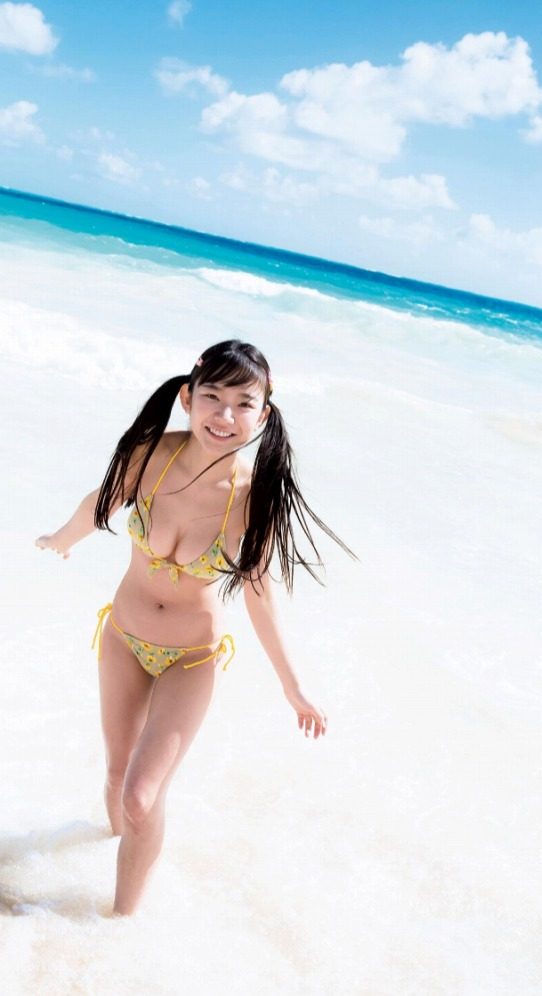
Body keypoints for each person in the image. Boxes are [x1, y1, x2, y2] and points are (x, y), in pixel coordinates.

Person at [35, 339, 357, 916]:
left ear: (263, 414)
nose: (225, 415)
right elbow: (100, 501)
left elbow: (260, 593)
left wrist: (292, 686)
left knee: (141, 794)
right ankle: (112, 854)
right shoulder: (150, 454)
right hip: (123, 640)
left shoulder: (255, 499)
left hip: (190, 659)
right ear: (187, 398)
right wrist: (62, 539)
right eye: (213, 397)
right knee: (117, 776)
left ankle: (119, 925)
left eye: (243, 403)